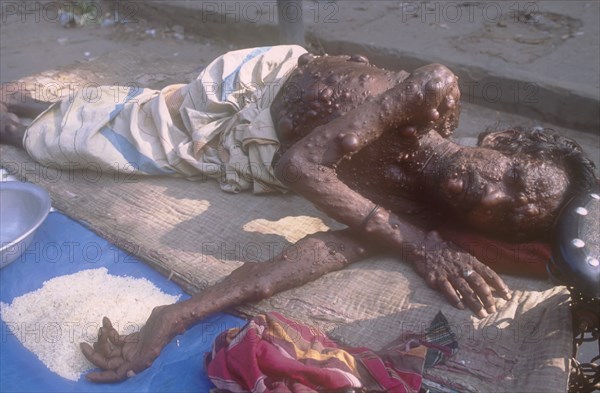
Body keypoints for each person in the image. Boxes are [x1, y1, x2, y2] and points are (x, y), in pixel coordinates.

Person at [1, 46, 596, 383]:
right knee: (80, 136)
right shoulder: (433, 93)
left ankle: (30, 111)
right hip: (253, 89)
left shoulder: (410, 212)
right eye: (513, 176)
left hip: (238, 148)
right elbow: (300, 166)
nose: (492, 195)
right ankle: (26, 114)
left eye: (510, 216)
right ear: (507, 141)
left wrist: (174, 316)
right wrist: (414, 242)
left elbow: (308, 257)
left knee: (103, 131)